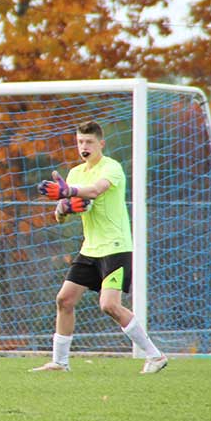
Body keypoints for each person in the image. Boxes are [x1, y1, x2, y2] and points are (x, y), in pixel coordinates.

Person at [30, 121, 167, 374]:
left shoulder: (111, 168)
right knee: (64, 299)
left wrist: (68, 191)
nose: (84, 146)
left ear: (100, 144)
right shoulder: (75, 173)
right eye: (80, 141)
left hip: (115, 247)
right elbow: (62, 214)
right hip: (90, 249)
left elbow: (95, 190)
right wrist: (62, 208)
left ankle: (155, 355)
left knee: (109, 306)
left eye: (89, 142)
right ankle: (60, 362)